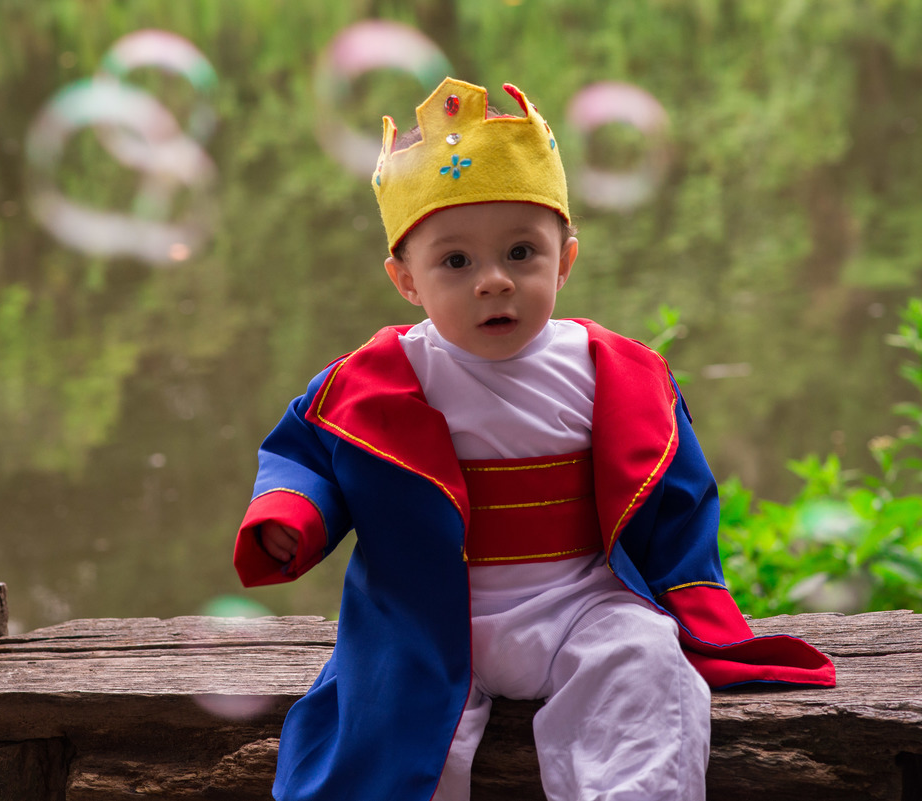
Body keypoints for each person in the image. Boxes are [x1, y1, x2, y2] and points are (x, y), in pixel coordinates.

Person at [232, 77, 835, 801]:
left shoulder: (615, 372)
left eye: (522, 251)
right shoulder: (376, 380)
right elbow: (305, 455)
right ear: (406, 280)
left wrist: (689, 590)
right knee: (393, 731)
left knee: (645, 661)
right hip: (430, 608)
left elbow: (681, 492)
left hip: (578, 599)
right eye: (455, 262)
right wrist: (291, 517)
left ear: (567, 259)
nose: (494, 281)